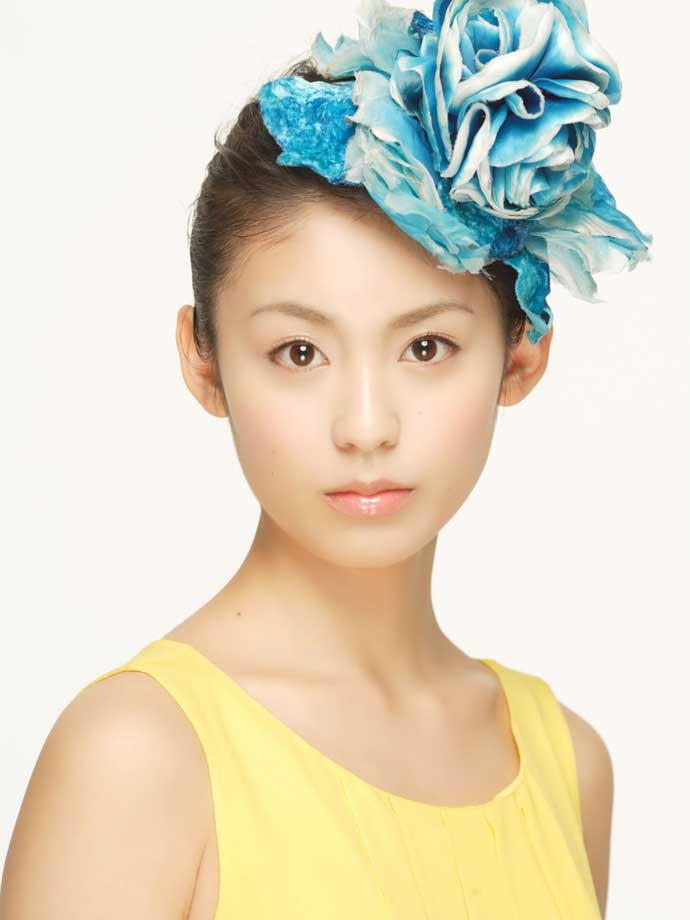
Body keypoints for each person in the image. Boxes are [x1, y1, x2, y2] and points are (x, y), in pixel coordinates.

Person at [1, 1, 652, 918]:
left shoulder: (567, 765)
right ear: (204, 361)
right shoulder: (138, 757)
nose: (366, 426)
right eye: (299, 352)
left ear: (521, 354)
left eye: (426, 347)